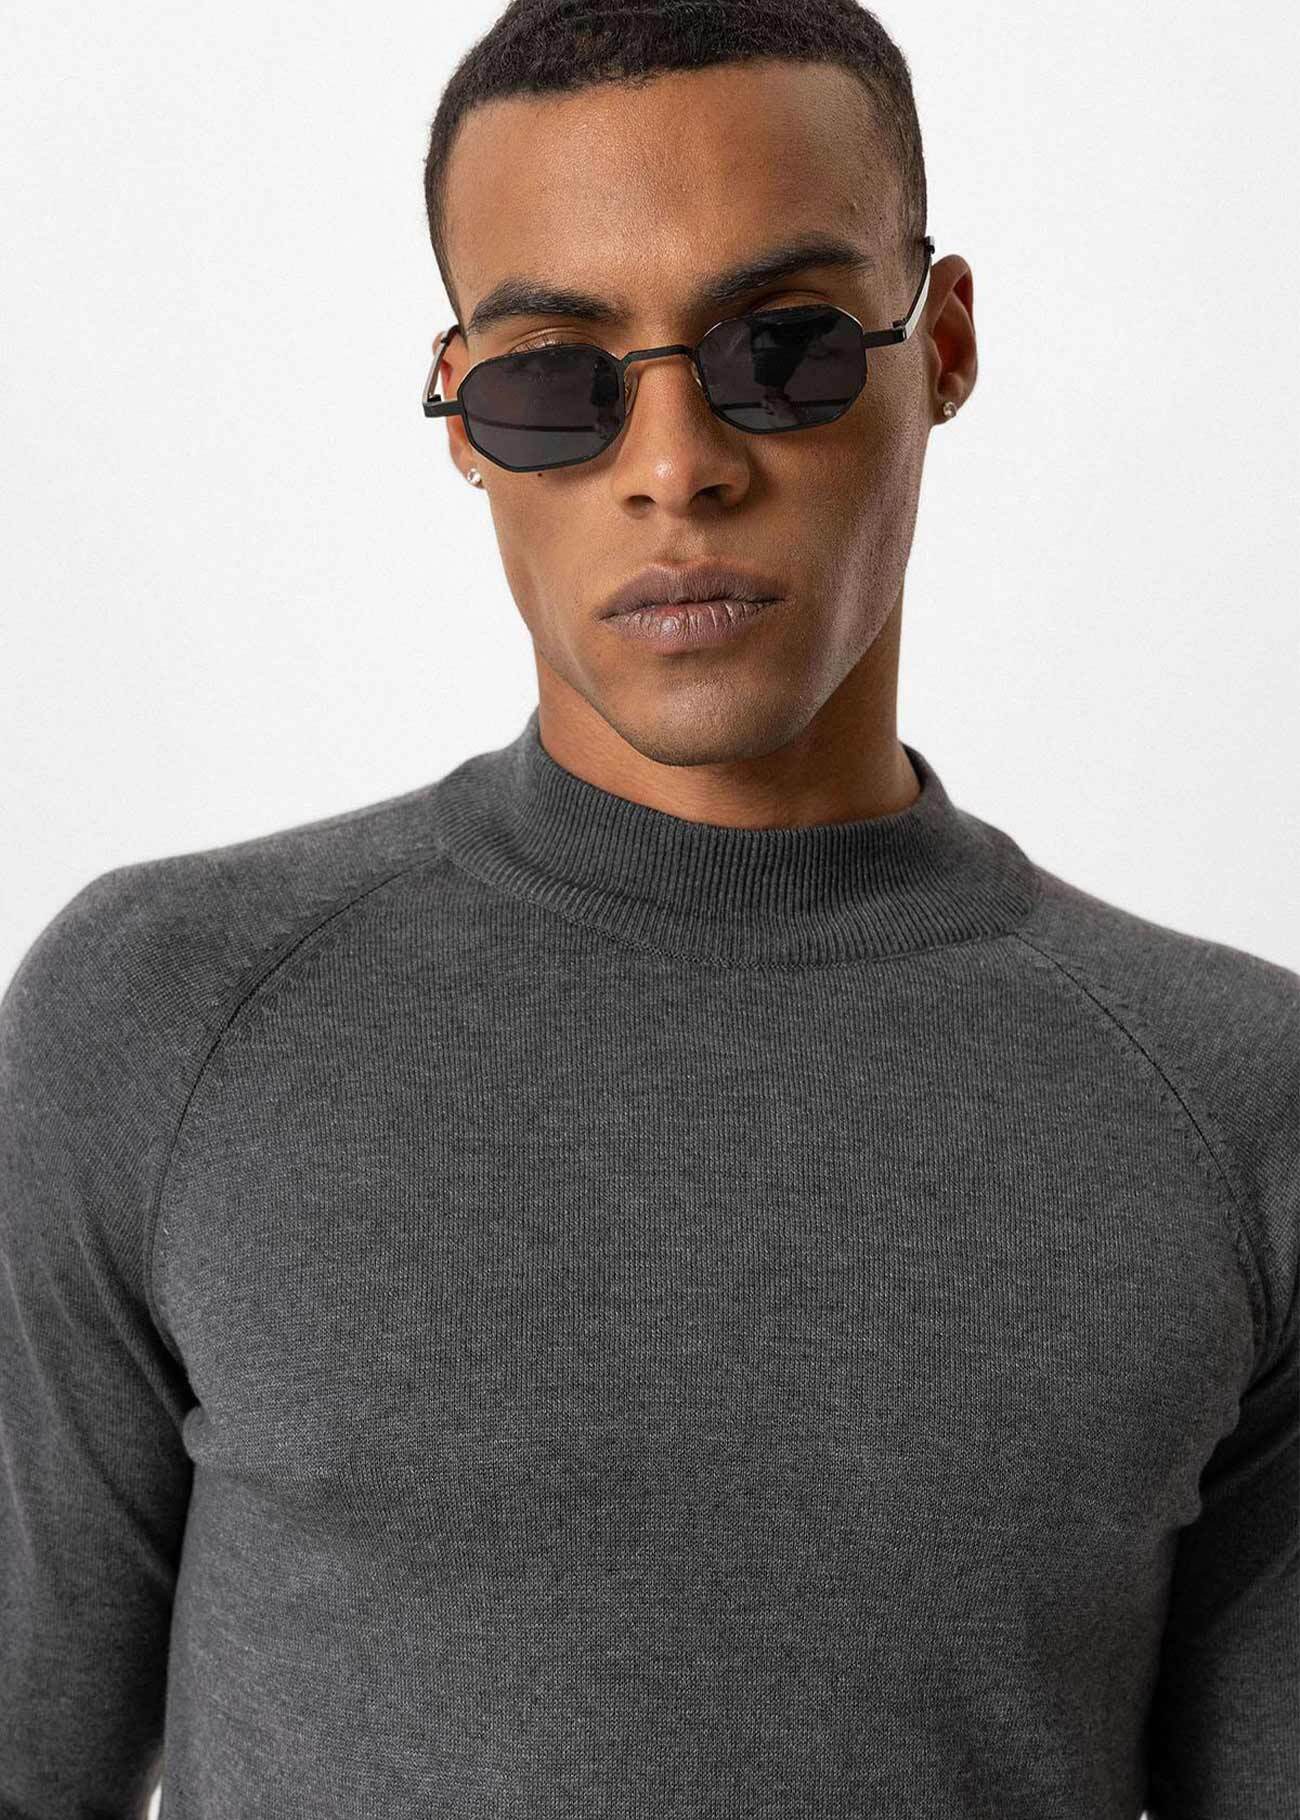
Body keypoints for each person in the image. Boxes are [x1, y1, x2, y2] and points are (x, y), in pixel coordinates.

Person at [2, 3, 1295, 1816]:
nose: (675, 463)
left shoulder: (1237, 1110)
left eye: (784, 347)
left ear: (944, 344)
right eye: (557, 376)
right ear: (461, 415)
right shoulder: (157, 1020)